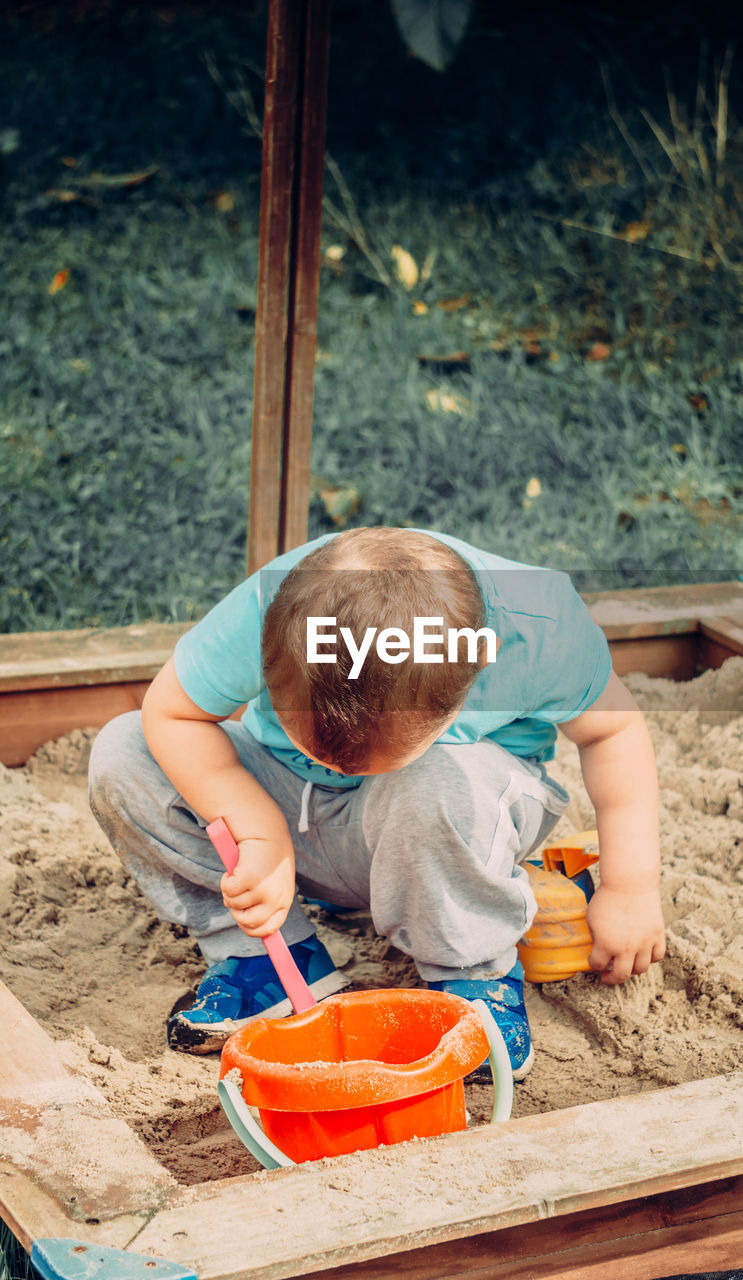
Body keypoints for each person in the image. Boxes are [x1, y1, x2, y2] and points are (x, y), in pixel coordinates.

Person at [88, 526, 666, 1078]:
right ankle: (268, 960)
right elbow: (173, 710)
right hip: (293, 822)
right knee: (126, 748)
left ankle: (471, 973)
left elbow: (612, 733)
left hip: (445, 827)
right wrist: (257, 827)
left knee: (437, 775)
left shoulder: (538, 629)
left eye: (359, 758)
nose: (340, 766)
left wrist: (630, 887)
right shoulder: (277, 603)